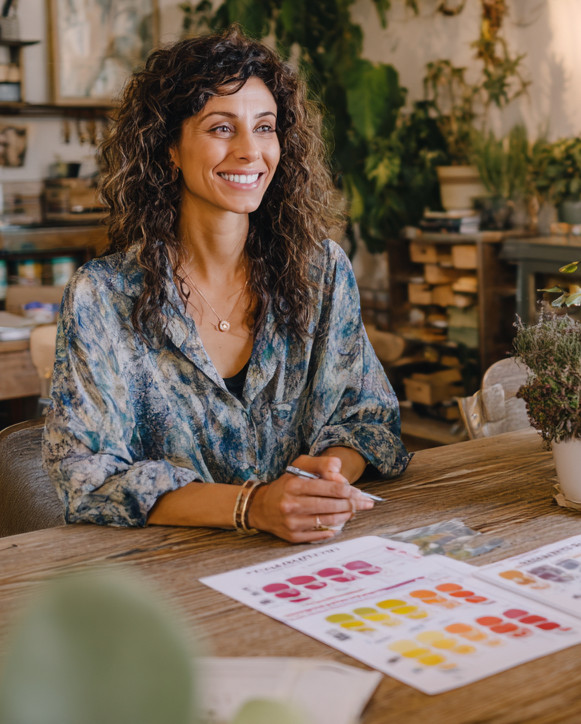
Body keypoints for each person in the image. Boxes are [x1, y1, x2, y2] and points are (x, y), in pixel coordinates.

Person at [43, 29, 409, 542]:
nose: (249, 151)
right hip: (165, 575)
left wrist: (319, 486)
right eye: (221, 128)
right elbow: (86, 477)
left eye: (264, 127)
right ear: (169, 147)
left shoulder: (320, 269)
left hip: (310, 556)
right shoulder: (102, 296)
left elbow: (367, 418)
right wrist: (255, 506)